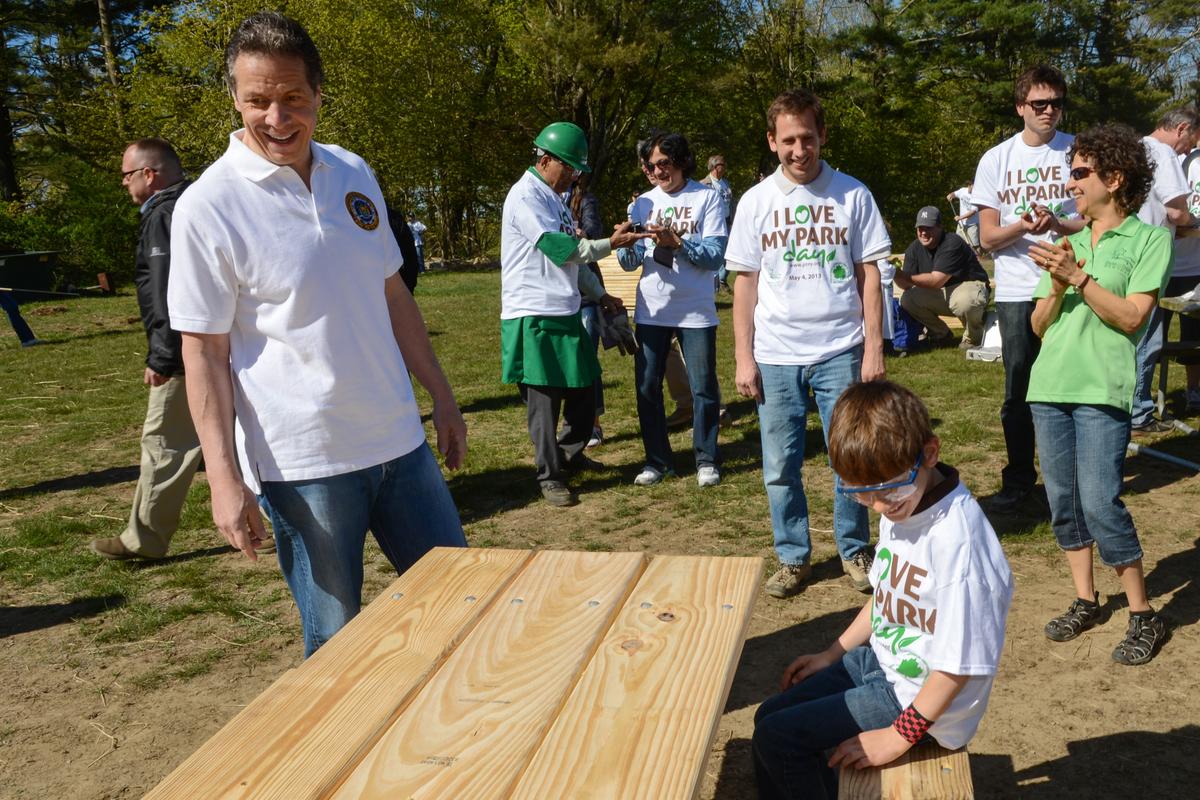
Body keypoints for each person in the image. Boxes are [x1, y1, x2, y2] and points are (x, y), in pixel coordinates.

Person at [167, 12, 467, 657]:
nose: (276, 117)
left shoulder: (351, 171)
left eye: (292, 98)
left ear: (319, 95)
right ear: (235, 99)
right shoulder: (206, 206)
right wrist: (223, 477)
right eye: (258, 100)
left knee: (458, 606)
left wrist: (440, 395)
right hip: (304, 464)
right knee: (337, 643)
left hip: (399, 442)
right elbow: (204, 351)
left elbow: (393, 293)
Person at [752, 380, 1013, 799]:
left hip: (918, 704)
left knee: (778, 739)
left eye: (886, 490)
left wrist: (897, 736)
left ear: (929, 452)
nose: (878, 506)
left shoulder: (959, 546)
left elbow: (959, 666)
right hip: (881, 664)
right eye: (861, 495)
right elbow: (886, 596)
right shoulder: (903, 502)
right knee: (769, 716)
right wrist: (833, 653)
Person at [728, 88, 889, 597]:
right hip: (775, 355)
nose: (800, 150)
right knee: (779, 464)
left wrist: (873, 348)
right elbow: (745, 284)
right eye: (789, 140)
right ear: (772, 141)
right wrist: (743, 358)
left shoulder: (853, 195)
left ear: (822, 137)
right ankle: (793, 556)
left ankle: (853, 547)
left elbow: (870, 275)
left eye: (809, 138)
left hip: (840, 348)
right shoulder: (755, 202)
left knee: (849, 456)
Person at [1027, 124, 1171, 665]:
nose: (1072, 182)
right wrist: (1060, 283)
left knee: (1100, 501)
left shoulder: (1148, 240)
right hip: (1050, 386)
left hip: (1100, 390)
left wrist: (1081, 282)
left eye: (1081, 172)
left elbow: (1134, 317)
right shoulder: (1069, 243)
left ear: (1114, 179)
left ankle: (1142, 614)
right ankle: (1086, 600)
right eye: (1071, 172)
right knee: (1063, 503)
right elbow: (1040, 326)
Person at [90, 138, 227, 560]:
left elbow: (171, 292)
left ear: (149, 174)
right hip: (216, 345)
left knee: (165, 443)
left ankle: (144, 541)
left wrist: (163, 356)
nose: (124, 185)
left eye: (127, 175)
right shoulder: (197, 203)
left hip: (188, 354)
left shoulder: (167, 214)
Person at [500, 121, 644, 507]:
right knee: (544, 402)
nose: (574, 177)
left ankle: (568, 456)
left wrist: (601, 295)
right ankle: (550, 476)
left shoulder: (554, 198)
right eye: (569, 168)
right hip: (532, 313)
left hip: (563, 309)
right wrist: (609, 244)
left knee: (584, 391)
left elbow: (575, 266)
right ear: (546, 160)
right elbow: (561, 250)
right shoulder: (525, 196)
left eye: (577, 170)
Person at [971, 64, 1084, 513]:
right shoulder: (997, 159)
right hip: (1019, 289)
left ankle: (1070, 482)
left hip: (1070, 283)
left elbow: (1092, 219)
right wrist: (1023, 225)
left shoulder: (1076, 150)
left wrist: (1057, 222)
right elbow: (987, 237)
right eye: (1039, 103)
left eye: (1056, 102)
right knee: (1018, 390)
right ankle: (1019, 480)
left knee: (1071, 387)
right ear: (1021, 107)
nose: (1049, 111)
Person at [618, 131, 728, 487]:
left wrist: (677, 243)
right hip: (652, 310)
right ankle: (657, 461)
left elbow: (714, 257)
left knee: (703, 388)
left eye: (663, 163)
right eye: (650, 166)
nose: (656, 171)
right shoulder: (642, 204)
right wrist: (625, 242)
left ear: (680, 161)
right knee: (647, 387)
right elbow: (630, 262)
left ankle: (706, 458)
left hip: (695, 311)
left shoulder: (707, 198)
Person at [1128, 107, 1198, 434]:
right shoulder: (1165, 154)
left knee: (1130, 333)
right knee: (1149, 336)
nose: (1186, 151)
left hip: (1125, 250)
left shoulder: (1133, 147)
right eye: (1189, 142)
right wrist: (1194, 223)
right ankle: (1139, 413)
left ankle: (1124, 406)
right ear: (1181, 129)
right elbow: (1176, 211)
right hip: (1150, 254)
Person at [895, 206, 990, 349]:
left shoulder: (952, 242)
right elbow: (906, 286)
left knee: (965, 300)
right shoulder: (914, 248)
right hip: (944, 294)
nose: (923, 232)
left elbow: (936, 281)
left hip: (970, 287)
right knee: (908, 299)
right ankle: (940, 334)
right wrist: (894, 273)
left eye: (928, 228)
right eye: (920, 228)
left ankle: (973, 338)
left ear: (940, 227)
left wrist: (903, 275)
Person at [567, 174, 607, 447]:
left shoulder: (586, 201)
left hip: (586, 295)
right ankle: (572, 424)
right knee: (569, 363)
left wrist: (575, 233)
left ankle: (594, 425)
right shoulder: (545, 201)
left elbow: (592, 233)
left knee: (588, 361)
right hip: (562, 295)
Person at [1175, 126, 1200, 413]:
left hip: (1196, 265)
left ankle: (1193, 389)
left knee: (1194, 335)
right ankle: (1138, 399)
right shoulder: (1183, 160)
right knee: (1151, 337)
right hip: (1171, 263)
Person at [701, 154, 734, 290]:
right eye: (722, 164)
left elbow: (731, 202)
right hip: (713, 223)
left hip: (727, 221)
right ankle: (715, 283)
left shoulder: (726, 183)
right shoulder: (703, 184)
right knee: (716, 252)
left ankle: (722, 278)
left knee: (732, 252)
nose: (725, 167)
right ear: (715, 167)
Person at [946, 180, 982, 255]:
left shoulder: (977, 196)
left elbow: (973, 212)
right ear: (969, 185)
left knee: (974, 246)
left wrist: (960, 217)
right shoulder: (962, 191)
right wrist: (950, 195)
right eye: (974, 187)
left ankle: (977, 260)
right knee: (958, 242)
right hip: (962, 224)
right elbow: (954, 194)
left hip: (973, 224)